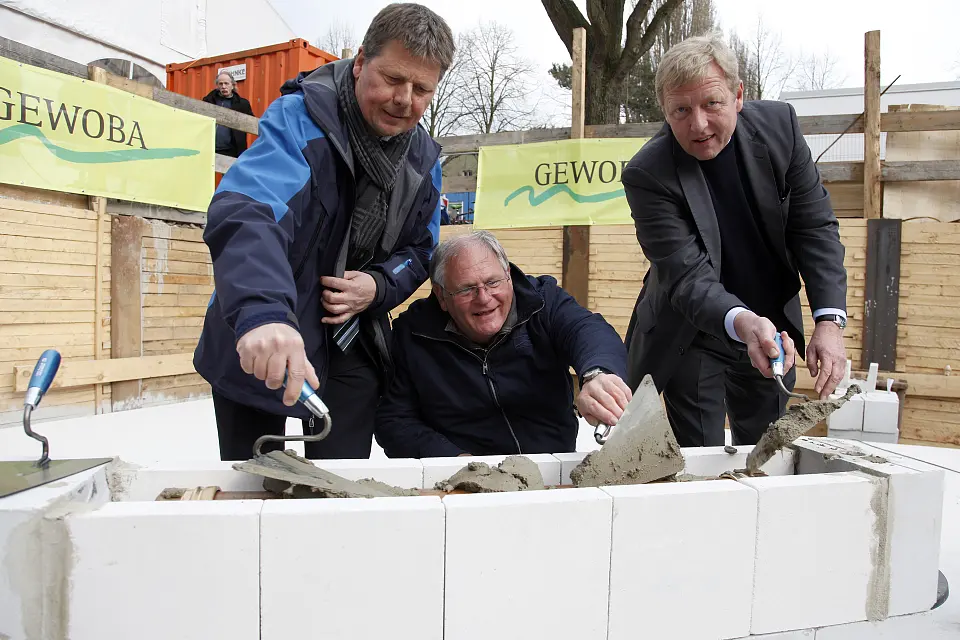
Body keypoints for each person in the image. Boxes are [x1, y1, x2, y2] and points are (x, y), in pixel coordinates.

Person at [193, 3, 455, 461]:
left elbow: (421, 249)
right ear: (359, 63)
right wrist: (263, 312)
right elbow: (250, 211)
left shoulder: (424, 162)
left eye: (421, 89)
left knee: (340, 485)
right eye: (393, 79)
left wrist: (378, 285)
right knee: (252, 480)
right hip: (268, 329)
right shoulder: (299, 120)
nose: (404, 99)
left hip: (353, 337)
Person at [622, 33, 849, 448]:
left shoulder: (780, 128)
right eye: (681, 111)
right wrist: (743, 323)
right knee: (701, 458)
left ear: (738, 95)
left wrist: (829, 322)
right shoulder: (647, 174)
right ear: (665, 112)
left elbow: (814, 226)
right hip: (691, 332)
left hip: (771, 327)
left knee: (765, 449)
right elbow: (687, 277)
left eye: (712, 104)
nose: (699, 125)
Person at [374, 231, 632, 458]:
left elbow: (588, 330)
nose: (484, 298)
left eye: (492, 282)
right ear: (442, 296)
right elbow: (395, 421)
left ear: (508, 274)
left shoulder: (543, 301)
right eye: (466, 289)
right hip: (457, 478)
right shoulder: (413, 334)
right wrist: (456, 461)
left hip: (549, 465)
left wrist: (597, 374)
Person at [202, 72, 255, 158]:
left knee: (230, 171)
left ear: (233, 85)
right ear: (217, 86)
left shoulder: (242, 104)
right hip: (209, 147)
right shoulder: (208, 101)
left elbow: (251, 123)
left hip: (232, 149)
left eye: (226, 83)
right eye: (220, 84)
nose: (223, 86)